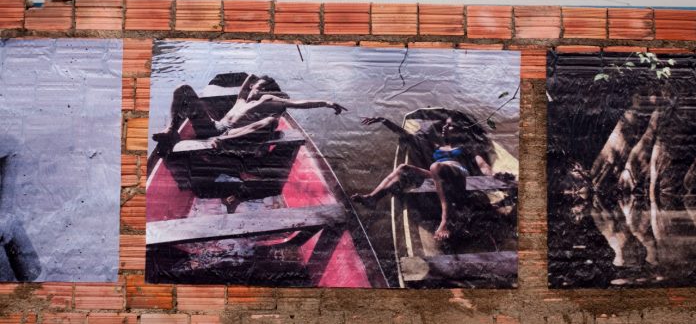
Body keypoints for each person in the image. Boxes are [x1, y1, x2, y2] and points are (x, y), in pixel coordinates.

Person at [351, 114, 493, 242]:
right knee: (403, 168)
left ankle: (444, 221)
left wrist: (492, 176)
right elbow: (404, 134)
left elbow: (482, 164)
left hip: (459, 173)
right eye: (445, 124)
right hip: (437, 172)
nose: (445, 127)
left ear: (460, 130)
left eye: (450, 126)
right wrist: (384, 120)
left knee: (436, 166)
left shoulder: (466, 146)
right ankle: (373, 198)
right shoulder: (436, 145)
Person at [153, 74, 347, 153]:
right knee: (183, 89)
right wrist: (254, 77)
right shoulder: (241, 100)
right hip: (212, 127)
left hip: (230, 135)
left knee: (271, 122)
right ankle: (171, 130)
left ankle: (222, 143)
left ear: (267, 91)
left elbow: (299, 103)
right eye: (254, 86)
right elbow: (247, 83)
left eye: (259, 87)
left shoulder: (267, 101)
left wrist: (327, 103)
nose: (254, 89)